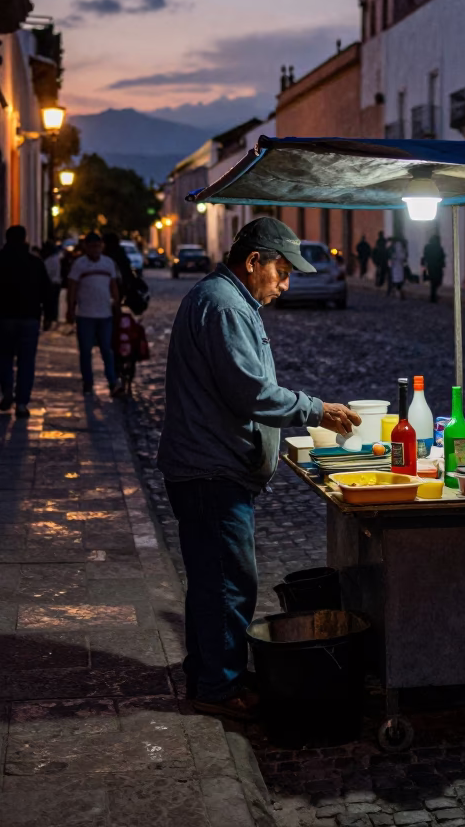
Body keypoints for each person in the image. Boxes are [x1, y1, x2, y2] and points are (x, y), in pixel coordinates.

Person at [156, 217, 360, 720]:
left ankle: (210, 670)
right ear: (253, 262)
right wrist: (319, 410)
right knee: (228, 581)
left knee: (212, 579)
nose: (287, 284)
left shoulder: (229, 300)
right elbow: (249, 391)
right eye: (282, 272)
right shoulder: (224, 305)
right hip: (211, 471)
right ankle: (217, 689)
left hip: (212, 467)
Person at [0, 225, 51, 418]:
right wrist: (49, 316)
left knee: (3, 357)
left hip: (2, 318)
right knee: (27, 362)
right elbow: (46, 292)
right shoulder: (35, 263)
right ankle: (22, 403)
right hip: (29, 318)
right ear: (25, 239)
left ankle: (7, 390)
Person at [66, 231, 123, 397]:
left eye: (98, 246)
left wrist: (117, 304)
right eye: (92, 246)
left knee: (107, 349)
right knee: (85, 351)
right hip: (85, 315)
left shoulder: (108, 263)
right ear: (86, 247)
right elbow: (72, 287)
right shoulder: (79, 264)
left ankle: (112, 382)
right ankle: (88, 383)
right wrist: (70, 308)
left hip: (105, 314)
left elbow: (113, 285)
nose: (95, 249)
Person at [41, 240, 62, 327]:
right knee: (54, 302)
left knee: (49, 303)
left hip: (51, 283)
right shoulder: (56, 259)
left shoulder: (49, 260)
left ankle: (49, 319)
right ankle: (53, 317)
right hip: (56, 282)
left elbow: (47, 272)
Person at [422, 232, 446, 303]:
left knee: (433, 282)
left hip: (430, 266)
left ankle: (433, 295)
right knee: (436, 281)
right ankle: (433, 296)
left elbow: (425, 256)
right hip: (437, 267)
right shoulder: (439, 247)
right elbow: (442, 256)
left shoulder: (427, 247)